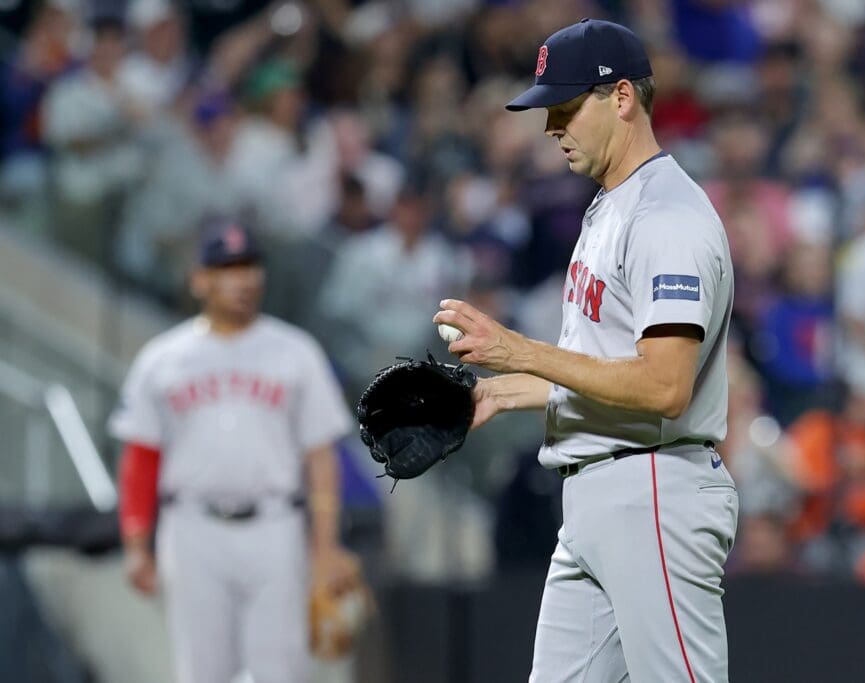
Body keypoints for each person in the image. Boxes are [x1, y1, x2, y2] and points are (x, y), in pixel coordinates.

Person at [433, 19, 738, 682]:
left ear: (622, 97)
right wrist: (507, 391)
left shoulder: (667, 217)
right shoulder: (610, 206)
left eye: (566, 107)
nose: (550, 126)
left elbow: (664, 386)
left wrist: (524, 353)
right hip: (598, 493)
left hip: (653, 485)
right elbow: (609, 368)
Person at [108, 219, 361, 683]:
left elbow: (321, 460)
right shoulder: (162, 358)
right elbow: (141, 457)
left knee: (281, 671)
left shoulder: (296, 352)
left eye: (249, 267)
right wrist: (135, 544)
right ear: (199, 278)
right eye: (227, 267)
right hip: (191, 529)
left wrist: (325, 547)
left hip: (275, 526)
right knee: (201, 672)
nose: (243, 279)